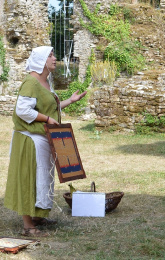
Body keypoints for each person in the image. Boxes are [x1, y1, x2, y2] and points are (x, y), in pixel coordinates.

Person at [4, 46, 87, 237]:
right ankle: (28, 227)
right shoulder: (31, 82)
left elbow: (49, 107)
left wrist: (70, 101)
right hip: (29, 140)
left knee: (43, 179)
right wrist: (48, 120)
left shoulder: (45, 81)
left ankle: (38, 217)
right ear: (41, 59)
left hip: (42, 138)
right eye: (50, 55)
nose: (54, 58)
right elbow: (23, 111)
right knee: (29, 179)